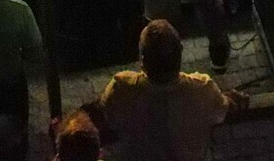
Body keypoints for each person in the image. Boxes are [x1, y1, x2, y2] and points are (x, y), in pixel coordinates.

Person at [92, 19, 242, 161]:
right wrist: (232, 98)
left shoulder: (121, 87)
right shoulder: (202, 88)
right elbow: (226, 107)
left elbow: (103, 113)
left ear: (142, 59)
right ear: (181, 52)